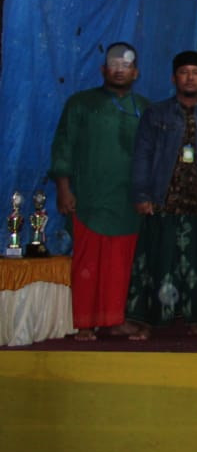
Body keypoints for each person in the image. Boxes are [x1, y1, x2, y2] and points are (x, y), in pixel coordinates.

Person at [126, 51, 197, 340]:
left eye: (195, 73)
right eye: (184, 73)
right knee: (158, 264)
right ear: (174, 78)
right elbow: (142, 156)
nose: (190, 78)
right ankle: (149, 323)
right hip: (163, 201)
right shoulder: (156, 114)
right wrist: (142, 193)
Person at [49, 42, 150, 340]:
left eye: (126, 66)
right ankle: (84, 323)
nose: (119, 70)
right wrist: (63, 188)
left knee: (119, 263)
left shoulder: (145, 108)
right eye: (114, 65)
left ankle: (114, 319)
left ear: (136, 72)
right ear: (103, 70)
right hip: (89, 197)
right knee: (87, 262)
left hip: (128, 201)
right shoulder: (81, 104)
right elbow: (63, 146)